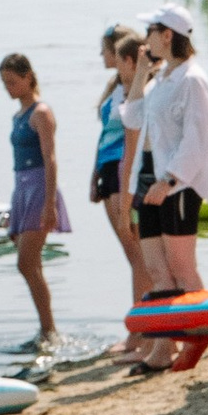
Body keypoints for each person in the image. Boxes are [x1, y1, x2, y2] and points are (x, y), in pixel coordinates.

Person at [122, 9, 208, 302]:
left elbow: (196, 140)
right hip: (148, 178)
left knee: (182, 267)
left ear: (166, 35)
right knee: (157, 270)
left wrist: (169, 181)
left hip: (178, 184)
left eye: (150, 30)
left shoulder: (192, 79)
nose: (145, 37)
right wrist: (140, 72)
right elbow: (132, 119)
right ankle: (165, 347)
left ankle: (200, 331)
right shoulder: (160, 78)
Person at [0, 55, 68, 350]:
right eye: (4, 83)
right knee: (31, 265)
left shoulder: (41, 112)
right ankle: (46, 330)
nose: (9, 88)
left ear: (28, 77)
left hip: (40, 187)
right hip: (22, 187)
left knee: (26, 263)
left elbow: (50, 158)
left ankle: (49, 329)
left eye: (12, 82)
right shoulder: (18, 116)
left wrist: (49, 203)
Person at [89, 28, 154, 300]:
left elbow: (134, 135)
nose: (103, 56)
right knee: (131, 254)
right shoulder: (115, 87)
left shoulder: (139, 89)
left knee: (136, 252)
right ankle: (140, 324)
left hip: (122, 169)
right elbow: (105, 133)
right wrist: (94, 176)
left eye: (106, 50)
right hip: (107, 169)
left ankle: (140, 327)